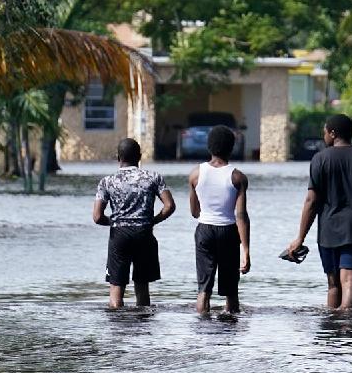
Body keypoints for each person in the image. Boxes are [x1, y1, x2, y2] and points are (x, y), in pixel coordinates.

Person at [286, 114, 352, 311]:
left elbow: (311, 201)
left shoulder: (320, 159)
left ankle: (332, 332)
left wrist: (300, 237)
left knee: (333, 285)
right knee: (350, 281)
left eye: (324, 131)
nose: (324, 135)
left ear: (332, 133)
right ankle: (349, 329)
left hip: (328, 232)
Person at [92, 138, 175, 309]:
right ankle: (142, 329)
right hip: (144, 233)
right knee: (142, 287)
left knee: (116, 287)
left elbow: (97, 217)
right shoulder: (153, 177)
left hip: (119, 236)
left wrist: (116, 221)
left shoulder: (107, 182)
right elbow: (169, 206)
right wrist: (152, 221)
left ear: (118, 158)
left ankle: (117, 330)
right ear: (139, 157)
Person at [188, 126, 251, 315]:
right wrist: (246, 250)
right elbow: (241, 216)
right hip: (228, 232)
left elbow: (194, 212)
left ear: (209, 147)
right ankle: (229, 331)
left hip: (205, 230)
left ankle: (202, 327)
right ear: (231, 148)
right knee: (231, 290)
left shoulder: (195, 174)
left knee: (203, 290)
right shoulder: (237, 177)